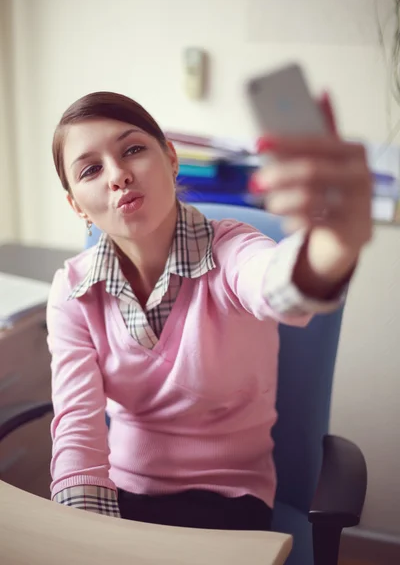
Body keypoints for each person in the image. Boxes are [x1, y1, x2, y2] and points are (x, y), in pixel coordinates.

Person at [48, 90, 372, 531]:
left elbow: (278, 281)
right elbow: (77, 436)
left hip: (230, 499)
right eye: (90, 169)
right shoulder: (72, 290)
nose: (118, 175)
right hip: (122, 497)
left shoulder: (234, 248)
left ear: (171, 158)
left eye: (134, 150)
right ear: (75, 204)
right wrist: (82, 537)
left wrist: (332, 240)